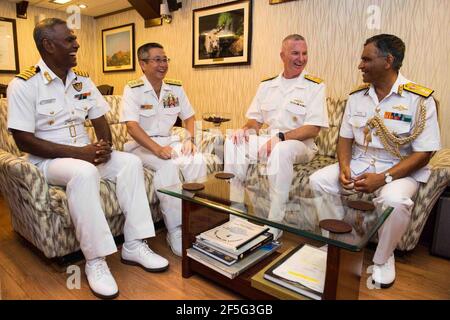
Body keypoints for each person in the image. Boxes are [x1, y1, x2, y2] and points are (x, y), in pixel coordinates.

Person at [7, 18, 169, 300]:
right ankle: (96, 261)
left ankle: (134, 244)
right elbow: (23, 140)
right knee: (84, 173)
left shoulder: (82, 79)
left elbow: (98, 116)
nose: (76, 44)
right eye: (69, 40)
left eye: (74, 39)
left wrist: (104, 147)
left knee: (130, 163)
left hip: (86, 152)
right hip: (49, 160)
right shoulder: (24, 85)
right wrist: (79, 154)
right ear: (48, 45)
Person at [309, 34, 441, 288]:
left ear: (388, 60)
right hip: (360, 160)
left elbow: (425, 153)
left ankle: (383, 258)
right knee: (318, 181)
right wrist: (344, 167)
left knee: (394, 200)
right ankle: (340, 242)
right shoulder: (357, 96)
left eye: (366, 59)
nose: (360, 65)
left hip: (400, 168)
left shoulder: (419, 99)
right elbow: (345, 139)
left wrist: (384, 178)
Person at [224, 34, 329, 239]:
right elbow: (255, 122)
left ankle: (275, 222)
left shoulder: (315, 86)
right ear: (282, 55)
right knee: (233, 141)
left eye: (304, 53)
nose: (301, 58)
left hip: (300, 145)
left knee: (281, 149)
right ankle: (236, 213)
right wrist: (244, 130)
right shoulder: (267, 85)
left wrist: (281, 137)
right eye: (295, 53)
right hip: (270, 140)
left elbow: (313, 129)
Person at [120, 43, 207, 257]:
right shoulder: (133, 90)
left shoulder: (175, 88)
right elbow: (131, 126)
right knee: (167, 167)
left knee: (197, 159)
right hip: (141, 146)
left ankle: (198, 219)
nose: (163, 64)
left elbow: (189, 117)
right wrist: (157, 149)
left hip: (169, 141)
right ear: (143, 64)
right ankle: (175, 230)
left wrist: (190, 139)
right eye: (157, 60)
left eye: (165, 59)